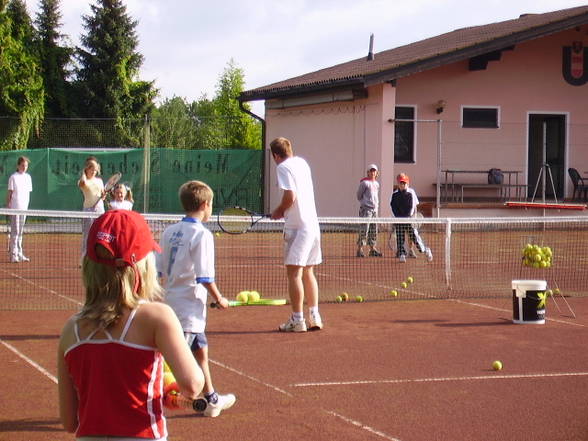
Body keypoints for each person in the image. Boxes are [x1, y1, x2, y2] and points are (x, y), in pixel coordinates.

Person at [57, 209, 205, 439]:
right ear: (142, 266)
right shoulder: (157, 317)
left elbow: (69, 421)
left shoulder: (70, 329)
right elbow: (193, 385)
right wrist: (167, 386)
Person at [156, 180, 236, 417]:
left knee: (201, 351)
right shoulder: (202, 234)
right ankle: (142, 404)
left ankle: (211, 400)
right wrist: (220, 298)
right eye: (211, 205)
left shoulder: (169, 231)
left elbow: (159, 272)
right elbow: (204, 276)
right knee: (175, 366)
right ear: (204, 204)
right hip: (188, 309)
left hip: (173, 303)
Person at [270, 137, 323, 333]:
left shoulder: (282, 167)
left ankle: (297, 319)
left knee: (294, 274)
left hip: (298, 227)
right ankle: (315, 315)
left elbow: (290, 196)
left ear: (276, 155)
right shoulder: (302, 163)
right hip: (313, 225)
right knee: (309, 271)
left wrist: (279, 211)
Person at [390, 173, 433, 263]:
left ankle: (425, 250)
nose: (402, 185)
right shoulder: (395, 195)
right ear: (398, 183)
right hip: (399, 220)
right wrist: (397, 218)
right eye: (401, 183)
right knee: (400, 238)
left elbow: (411, 207)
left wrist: (410, 218)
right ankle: (402, 254)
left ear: (407, 184)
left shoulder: (410, 194)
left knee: (415, 238)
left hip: (409, 220)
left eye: (404, 183)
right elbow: (393, 207)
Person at [6, 156, 33, 263]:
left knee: (20, 231)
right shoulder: (13, 177)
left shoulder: (28, 177)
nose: (24, 167)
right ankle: (14, 255)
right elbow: (10, 193)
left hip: (24, 208)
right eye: (22, 165)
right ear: (18, 166)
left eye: (26, 165)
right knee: (15, 231)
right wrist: (8, 205)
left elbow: (27, 193)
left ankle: (20, 253)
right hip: (15, 208)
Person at [78, 156, 105, 260]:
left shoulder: (100, 181)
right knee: (87, 235)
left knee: (100, 234)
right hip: (88, 211)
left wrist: (103, 196)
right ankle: (84, 258)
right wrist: (83, 174)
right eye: (91, 169)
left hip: (100, 210)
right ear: (87, 169)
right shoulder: (83, 181)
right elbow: (82, 183)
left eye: (95, 169)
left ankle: (99, 257)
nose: (94, 171)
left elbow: (102, 195)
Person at [356, 164, 382, 258]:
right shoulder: (364, 183)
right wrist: (365, 204)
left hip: (375, 210)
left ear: (376, 173)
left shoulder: (377, 184)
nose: (372, 173)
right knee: (364, 229)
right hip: (366, 210)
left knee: (374, 230)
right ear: (368, 172)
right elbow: (359, 196)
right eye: (371, 171)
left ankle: (372, 249)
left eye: (374, 171)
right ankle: (360, 249)